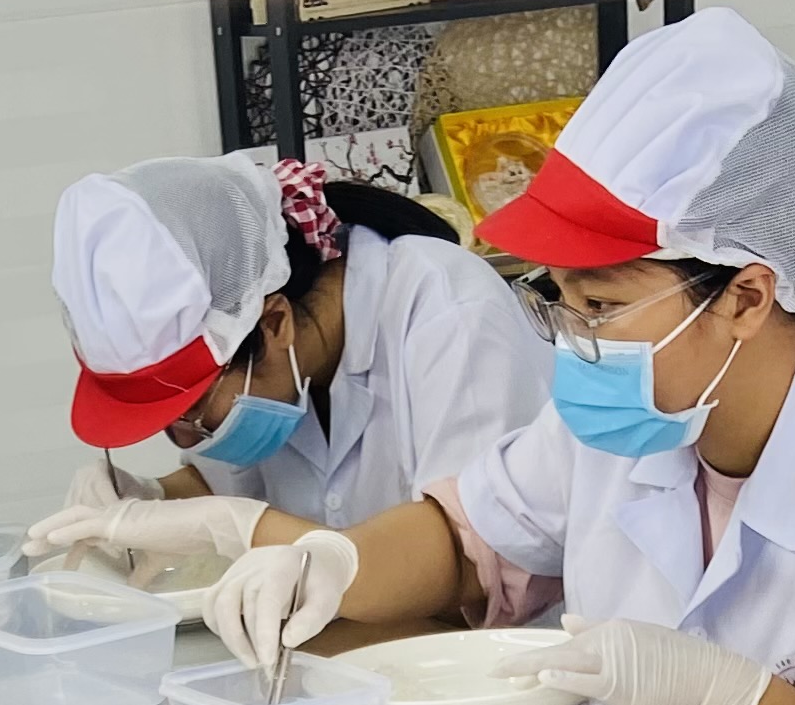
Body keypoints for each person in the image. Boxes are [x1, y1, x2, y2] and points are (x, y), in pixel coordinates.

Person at [200, 10, 795, 705]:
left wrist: (754, 702)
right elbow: (468, 538)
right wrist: (334, 563)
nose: (572, 335)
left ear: (745, 296)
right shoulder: (641, 411)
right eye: (556, 296)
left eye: (599, 304)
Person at [29, 151, 546, 576]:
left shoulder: (449, 313)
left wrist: (239, 528)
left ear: (274, 323)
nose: (186, 437)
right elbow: (225, 483)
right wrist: (147, 501)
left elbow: (473, 564)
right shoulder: (271, 367)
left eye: (192, 410)